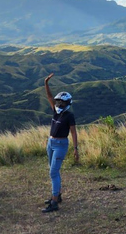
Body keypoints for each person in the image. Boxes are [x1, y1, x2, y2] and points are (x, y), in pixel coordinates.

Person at [42, 73, 79, 213]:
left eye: (61, 102)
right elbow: (49, 97)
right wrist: (46, 84)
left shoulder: (69, 116)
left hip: (61, 145)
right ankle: (57, 195)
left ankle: (54, 202)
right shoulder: (56, 111)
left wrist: (76, 149)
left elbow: (74, 132)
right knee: (53, 170)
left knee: (53, 172)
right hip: (51, 143)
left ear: (68, 103)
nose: (58, 104)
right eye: (58, 102)